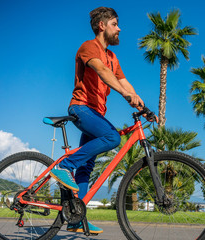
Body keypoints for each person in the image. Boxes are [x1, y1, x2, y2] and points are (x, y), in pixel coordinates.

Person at [49, 7, 152, 234]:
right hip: (81, 108)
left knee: (86, 167)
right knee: (111, 137)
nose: (120, 28)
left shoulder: (113, 56)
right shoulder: (89, 47)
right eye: (115, 24)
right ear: (102, 25)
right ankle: (65, 166)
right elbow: (102, 71)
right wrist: (126, 96)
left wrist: (143, 107)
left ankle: (76, 217)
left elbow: (123, 81)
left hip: (96, 114)